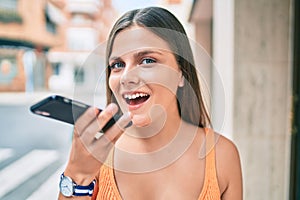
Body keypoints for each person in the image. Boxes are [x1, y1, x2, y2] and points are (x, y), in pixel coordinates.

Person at [58, 6, 243, 200]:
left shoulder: (223, 155)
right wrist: (77, 174)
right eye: (118, 65)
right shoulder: (96, 154)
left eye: (147, 60)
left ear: (181, 74)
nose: (126, 78)